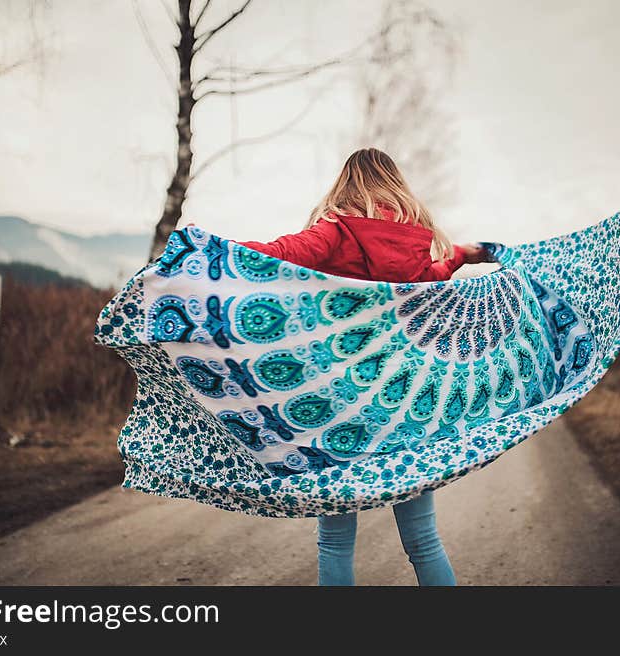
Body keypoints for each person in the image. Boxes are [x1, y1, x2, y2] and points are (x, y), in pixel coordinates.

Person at [192, 148, 490, 585]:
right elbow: (434, 276)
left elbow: (275, 254)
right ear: (393, 184)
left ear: (346, 184)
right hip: (403, 396)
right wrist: (462, 255)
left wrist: (212, 249)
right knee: (423, 537)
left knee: (334, 540)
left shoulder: (337, 230)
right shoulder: (414, 241)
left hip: (338, 400)